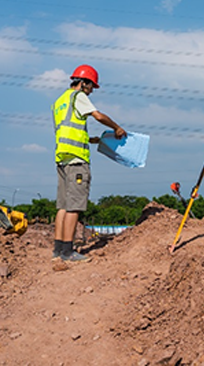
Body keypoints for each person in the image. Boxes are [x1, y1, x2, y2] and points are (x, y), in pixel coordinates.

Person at [52, 64, 126, 262]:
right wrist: (117, 128)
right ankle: (68, 252)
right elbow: (99, 116)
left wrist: (90, 139)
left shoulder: (60, 101)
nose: (92, 90)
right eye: (91, 86)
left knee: (63, 206)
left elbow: (69, 128)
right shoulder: (79, 97)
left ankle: (58, 250)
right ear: (83, 83)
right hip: (77, 160)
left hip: (62, 158)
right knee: (74, 206)